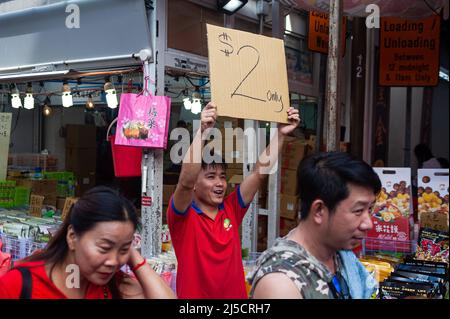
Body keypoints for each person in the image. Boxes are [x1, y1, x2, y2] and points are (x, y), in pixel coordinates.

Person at [167, 102, 299, 298]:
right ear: (196, 183)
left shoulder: (231, 208)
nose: (220, 183)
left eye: (222, 176)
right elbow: (185, 182)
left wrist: (280, 134)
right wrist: (202, 132)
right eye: (211, 177)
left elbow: (258, 174)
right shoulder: (183, 216)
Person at [0, 186, 175, 299]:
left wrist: (132, 256)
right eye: (104, 247)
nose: (113, 261)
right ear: (72, 236)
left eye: (123, 250)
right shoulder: (19, 284)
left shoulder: (113, 286)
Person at [248, 152, 381, 299]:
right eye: (358, 210)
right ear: (319, 210)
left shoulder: (339, 255)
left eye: (369, 209)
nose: (368, 224)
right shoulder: (281, 285)